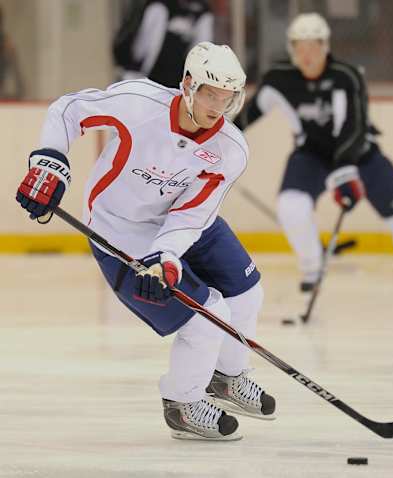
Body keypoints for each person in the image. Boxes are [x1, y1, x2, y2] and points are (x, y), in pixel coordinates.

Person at [16, 41, 275, 441]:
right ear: (187, 84)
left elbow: (192, 214)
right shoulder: (139, 103)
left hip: (183, 220)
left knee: (247, 295)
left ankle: (225, 377)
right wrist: (50, 160)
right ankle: (182, 403)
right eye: (210, 94)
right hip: (119, 228)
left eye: (227, 99)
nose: (217, 108)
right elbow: (66, 111)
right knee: (206, 319)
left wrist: (168, 256)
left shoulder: (230, 148)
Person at [236, 13, 393, 295]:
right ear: (291, 49)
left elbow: (356, 125)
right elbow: (248, 116)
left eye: (313, 46)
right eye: (300, 47)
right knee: (291, 205)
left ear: (325, 46)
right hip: (310, 156)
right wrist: (216, 141)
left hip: (359, 155)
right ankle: (313, 267)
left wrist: (345, 170)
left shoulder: (346, 76)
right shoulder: (279, 79)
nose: (307, 55)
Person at [113, 0, 213, 88]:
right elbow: (142, 47)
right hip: (144, 78)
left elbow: (201, 49)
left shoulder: (200, 11)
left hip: (174, 82)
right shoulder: (158, 6)